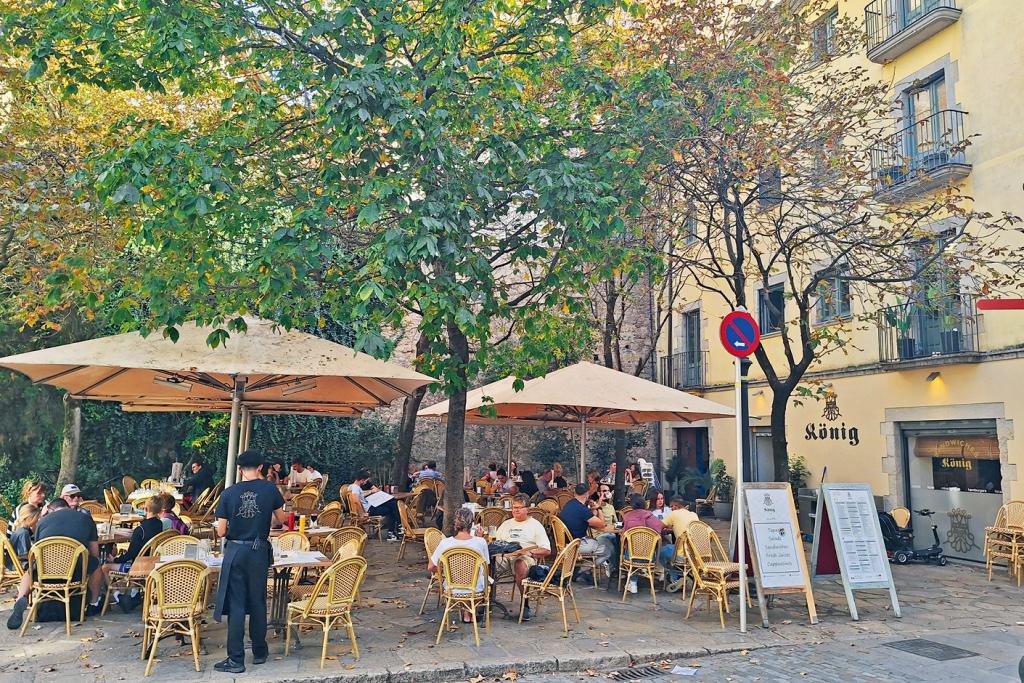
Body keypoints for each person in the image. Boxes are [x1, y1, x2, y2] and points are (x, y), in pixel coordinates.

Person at [213, 449, 287, 673]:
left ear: (239, 469)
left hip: (236, 550)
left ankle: (236, 659)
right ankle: (260, 651)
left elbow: (222, 531)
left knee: (236, 604)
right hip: (259, 550)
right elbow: (280, 520)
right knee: (258, 600)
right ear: (261, 468)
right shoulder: (269, 489)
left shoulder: (229, 493)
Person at [7, 498, 104, 630]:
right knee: (96, 565)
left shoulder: (42, 522)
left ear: (51, 510)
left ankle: (20, 598)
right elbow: (95, 552)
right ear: (68, 507)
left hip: (47, 572)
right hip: (75, 571)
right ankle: (93, 603)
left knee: (30, 570)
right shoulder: (85, 518)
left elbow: (37, 550)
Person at [100, 497, 165, 613]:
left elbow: (131, 554)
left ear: (145, 509)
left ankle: (117, 596)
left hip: (139, 567)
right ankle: (135, 595)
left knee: (104, 568)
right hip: (153, 563)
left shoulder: (140, 530)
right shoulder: (159, 525)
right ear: (160, 511)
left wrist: (115, 560)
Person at [493, 493, 550, 621]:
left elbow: (546, 550)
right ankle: (485, 601)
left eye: (519, 507)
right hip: (504, 556)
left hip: (526, 556)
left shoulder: (535, 525)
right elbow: (496, 542)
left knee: (520, 565)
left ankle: (525, 604)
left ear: (527, 509)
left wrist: (529, 553)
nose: (515, 510)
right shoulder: (506, 524)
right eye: (514, 507)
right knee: (485, 563)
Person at [428, 508, 490, 622]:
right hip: (475, 589)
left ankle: (467, 613)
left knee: (467, 575)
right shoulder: (480, 542)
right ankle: (472, 611)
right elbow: (486, 566)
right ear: (471, 525)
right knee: (481, 576)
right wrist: (480, 538)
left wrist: (445, 571)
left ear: (455, 525)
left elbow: (431, 567)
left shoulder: (445, 543)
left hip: (452, 588)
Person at [558, 483, 614, 583]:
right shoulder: (582, 510)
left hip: (564, 543)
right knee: (608, 549)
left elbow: (585, 520)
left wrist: (591, 511)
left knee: (597, 544)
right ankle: (583, 569)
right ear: (587, 494)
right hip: (576, 545)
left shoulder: (569, 504)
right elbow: (601, 525)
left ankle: (577, 569)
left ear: (575, 493)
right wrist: (598, 508)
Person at [620, 494, 664, 594]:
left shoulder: (627, 517)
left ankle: (633, 583)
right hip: (649, 557)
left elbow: (623, 538)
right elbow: (659, 529)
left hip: (630, 557)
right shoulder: (650, 516)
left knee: (629, 551)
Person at [659, 496, 699, 591]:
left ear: (676, 506)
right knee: (672, 549)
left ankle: (677, 576)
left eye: (671, 507)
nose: (671, 509)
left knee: (660, 551)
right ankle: (679, 575)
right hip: (696, 554)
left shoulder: (674, 514)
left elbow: (659, 526)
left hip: (682, 554)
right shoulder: (694, 514)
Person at [348, 470, 400, 542]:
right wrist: (362, 513)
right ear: (362, 480)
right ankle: (394, 530)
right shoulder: (356, 488)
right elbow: (356, 501)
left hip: (369, 507)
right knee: (392, 508)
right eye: (366, 480)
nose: (366, 482)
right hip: (369, 510)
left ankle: (396, 528)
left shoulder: (352, 487)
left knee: (392, 504)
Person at [7, 504, 40, 569]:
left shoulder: (20, 529)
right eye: (36, 519)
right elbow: (23, 556)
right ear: (29, 518)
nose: (37, 521)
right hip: (17, 565)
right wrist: (37, 556)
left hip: (12, 563)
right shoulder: (23, 533)